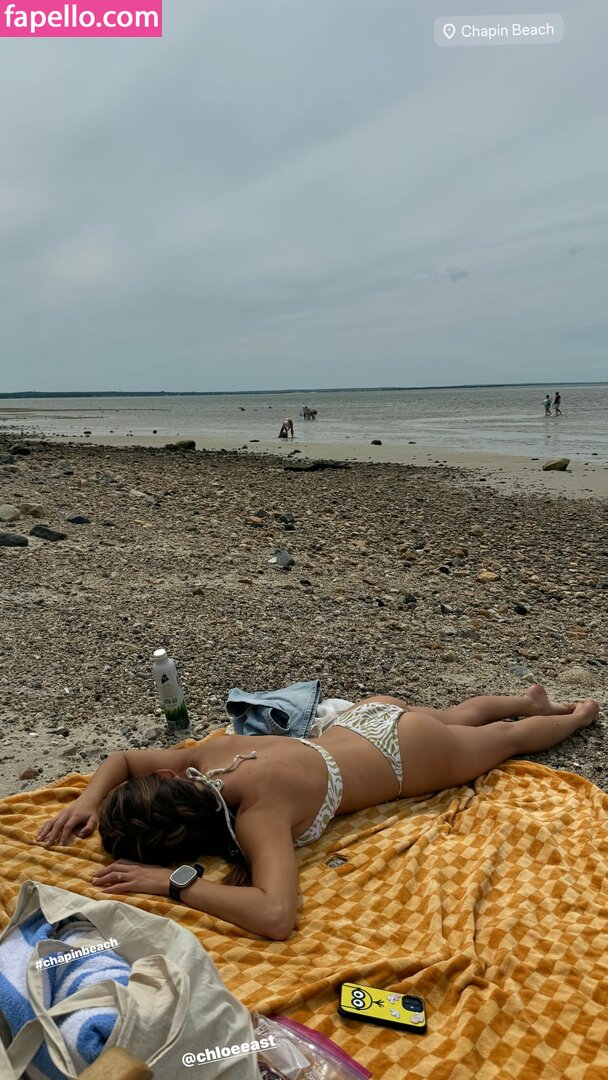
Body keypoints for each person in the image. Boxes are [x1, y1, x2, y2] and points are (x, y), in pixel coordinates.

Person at [36, 687, 598, 940]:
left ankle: (576, 716)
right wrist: (89, 799)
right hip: (364, 718)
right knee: (455, 716)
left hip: (405, 756)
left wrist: (172, 882)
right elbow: (124, 758)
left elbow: (275, 915)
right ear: (167, 780)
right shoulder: (206, 756)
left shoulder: (258, 816)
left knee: (508, 742)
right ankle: (529, 700)